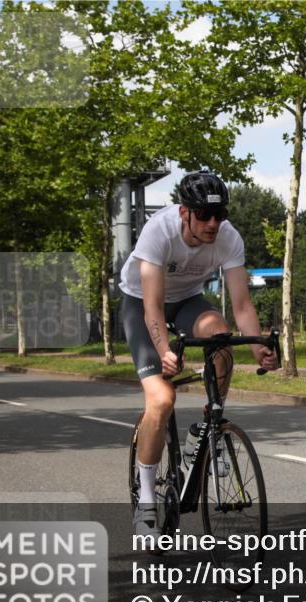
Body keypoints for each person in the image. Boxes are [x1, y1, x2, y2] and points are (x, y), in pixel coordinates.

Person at [119, 170, 279, 539]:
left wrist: (257, 346)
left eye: (219, 215)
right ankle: (145, 502)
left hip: (189, 301)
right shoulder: (159, 231)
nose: (212, 223)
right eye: (204, 215)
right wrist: (164, 350)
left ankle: (208, 426)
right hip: (143, 303)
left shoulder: (228, 238)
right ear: (183, 212)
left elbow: (241, 304)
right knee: (161, 399)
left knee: (221, 336)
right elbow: (153, 309)